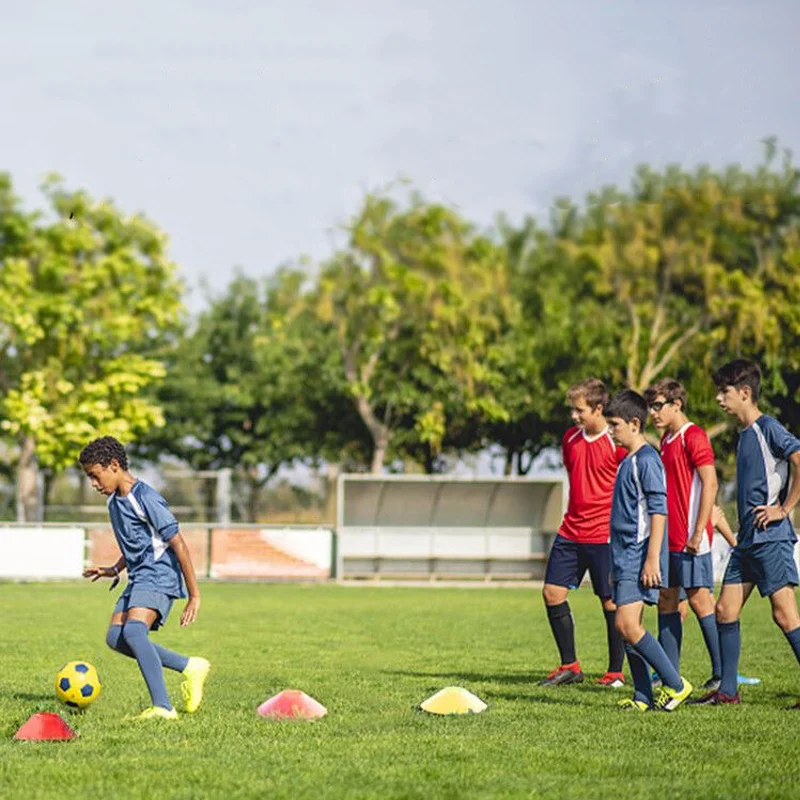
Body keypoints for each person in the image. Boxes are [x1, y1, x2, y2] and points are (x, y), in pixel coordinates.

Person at [80, 436, 210, 720]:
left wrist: (194, 596)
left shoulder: (146, 498)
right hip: (138, 577)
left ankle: (163, 707)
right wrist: (114, 569)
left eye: (95, 475)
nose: (93, 483)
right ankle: (189, 666)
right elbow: (137, 544)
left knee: (134, 632)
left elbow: (178, 544)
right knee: (116, 637)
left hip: (159, 575)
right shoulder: (114, 503)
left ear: (114, 465)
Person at [694, 359, 800, 706]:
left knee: (784, 615)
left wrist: (784, 509)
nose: (718, 399)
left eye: (724, 392)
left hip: (772, 538)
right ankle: (727, 692)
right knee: (725, 610)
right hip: (748, 541)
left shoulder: (768, 428)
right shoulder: (742, 436)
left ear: (744, 392)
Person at [605, 389, 693, 711]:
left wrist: (653, 558)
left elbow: (659, 511)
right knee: (625, 626)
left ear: (633, 423)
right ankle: (643, 696)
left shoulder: (647, 460)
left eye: (614, 425)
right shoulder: (626, 461)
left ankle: (676, 684)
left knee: (628, 625)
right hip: (622, 556)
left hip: (638, 555)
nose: (611, 431)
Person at [539, 379, 628, 688]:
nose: (574, 416)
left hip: (604, 536)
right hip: (570, 531)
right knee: (552, 593)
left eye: (579, 410)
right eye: (572, 410)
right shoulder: (569, 439)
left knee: (610, 602)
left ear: (598, 408)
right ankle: (570, 666)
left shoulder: (617, 443)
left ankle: (615, 672)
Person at [644, 378, 721, 691]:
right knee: (667, 601)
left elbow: (711, 484)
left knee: (702, 602)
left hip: (691, 539)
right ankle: (669, 675)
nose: (653, 413)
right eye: (650, 406)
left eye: (658, 406)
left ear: (677, 405)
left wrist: (697, 531)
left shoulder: (695, 436)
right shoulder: (666, 439)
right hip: (669, 539)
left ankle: (721, 676)